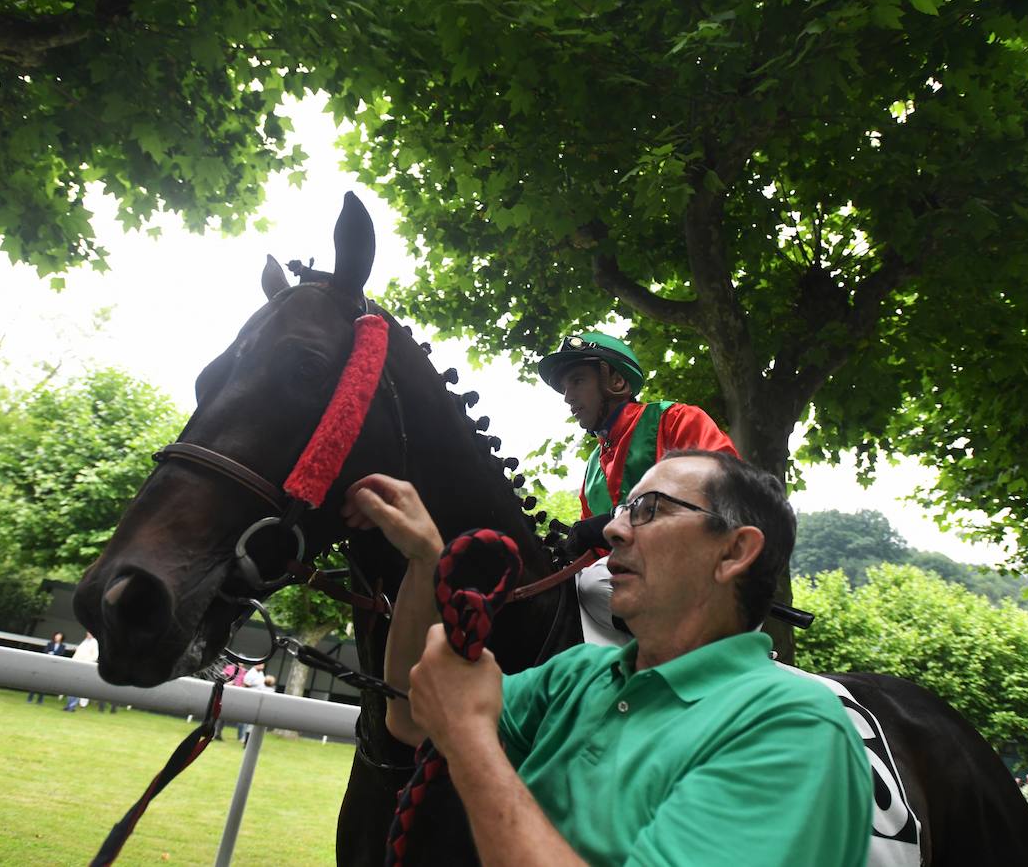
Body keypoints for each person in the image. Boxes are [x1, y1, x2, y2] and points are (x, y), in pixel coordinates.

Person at [344, 450, 872, 866]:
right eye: (622, 511)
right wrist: (425, 561)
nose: (614, 530)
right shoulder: (578, 676)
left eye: (651, 510)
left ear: (734, 552)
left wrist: (469, 735)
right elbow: (413, 716)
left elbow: (453, 727)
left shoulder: (792, 728)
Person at [537, 332, 740, 646]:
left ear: (615, 381)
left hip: (702, 577)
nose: (567, 397)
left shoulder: (676, 419)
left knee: (592, 585)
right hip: (634, 591)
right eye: (564, 388)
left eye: (577, 381)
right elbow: (602, 556)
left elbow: (727, 493)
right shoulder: (592, 467)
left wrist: (620, 520)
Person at [63, 632, 100, 712]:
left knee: (77, 687)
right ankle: (69, 705)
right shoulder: (84, 641)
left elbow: (95, 656)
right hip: (76, 666)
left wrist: (85, 662)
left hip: (83, 667)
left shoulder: (94, 642)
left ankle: (72, 706)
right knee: (71, 687)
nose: (88, 634)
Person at [240, 666, 277, 745]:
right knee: (259, 728)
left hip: (256, 709)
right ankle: (253, 743)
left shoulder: (259, 688)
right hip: (264, 712)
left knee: (250, 727)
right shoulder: (272, 691)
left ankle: (246, 742)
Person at [27, 631, 66, 704]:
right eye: (56, 636)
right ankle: (30, 698)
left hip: (53, 666)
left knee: (45, 684)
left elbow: (61, 654)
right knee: (37, 682)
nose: (57, 638)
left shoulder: (62, 646)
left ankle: (40, 700)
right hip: (45, 665)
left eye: (59, 636)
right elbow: (45, 651)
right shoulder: (50, 644)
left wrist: (53, 654)